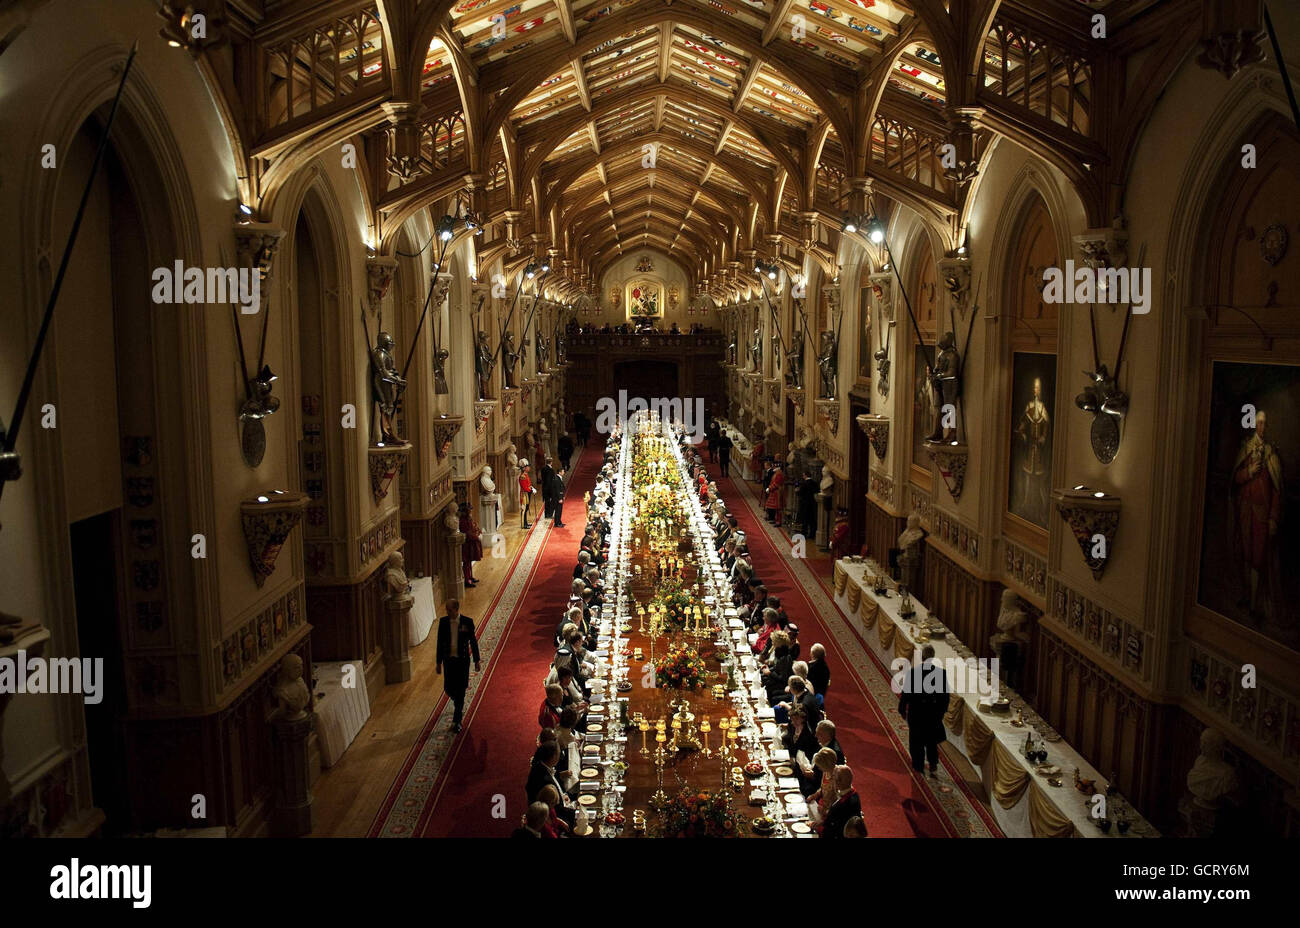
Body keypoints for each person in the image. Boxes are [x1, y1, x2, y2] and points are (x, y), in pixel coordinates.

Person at [898, 645, 949, 777]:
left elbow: (906, 694)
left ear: (922, 657)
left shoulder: (913, 673)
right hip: (932, 715)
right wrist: (940, 714)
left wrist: (902, 709)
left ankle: (918, 765)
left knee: (916, 741)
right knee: (931, 741)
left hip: (916, 713)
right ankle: (933, 763)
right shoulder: (941, 673)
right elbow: (945, 698)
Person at [435, 598, 480, 733]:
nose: (447, 612)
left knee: (460, 690)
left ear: (456, 609)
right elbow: (439, 643)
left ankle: (457, 720)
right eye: (446, 610)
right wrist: (438, 662)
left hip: (462, 662)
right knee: (448, 688)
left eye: (449, 610)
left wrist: (477, 660)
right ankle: (457, 702)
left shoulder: (467, 622)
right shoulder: (443, 623)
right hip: (449, 661)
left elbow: (473, 642)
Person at [819, 766, 860, 838]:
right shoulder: (854, 794)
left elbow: (832, 831)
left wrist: (818, 828)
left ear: (838, 783)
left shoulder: (842, 806)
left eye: (833, 779)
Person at [459, 503, 482, 587]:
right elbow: (467, 533)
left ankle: (470, 577)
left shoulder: (468, 519)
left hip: (471, 543)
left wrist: (477, 530)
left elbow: (473, 527)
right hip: (467, 544)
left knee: (469, 561)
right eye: (469, 510)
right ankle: (467, 580)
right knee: (466, 562)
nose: (471, 511)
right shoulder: (462, 521)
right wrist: (476, 537)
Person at [518, 458, 537, 528]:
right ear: (524, 468)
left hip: (527, 494)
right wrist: (531, 490)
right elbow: (525, 487)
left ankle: (526, 523)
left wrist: (532, 488)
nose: (529, 468)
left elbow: (528, 485)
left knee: (527, 508)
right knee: (524, 509)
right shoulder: (522, 476)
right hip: (524, 495)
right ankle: (524, 524)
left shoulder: (526, 475)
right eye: (527, 467)